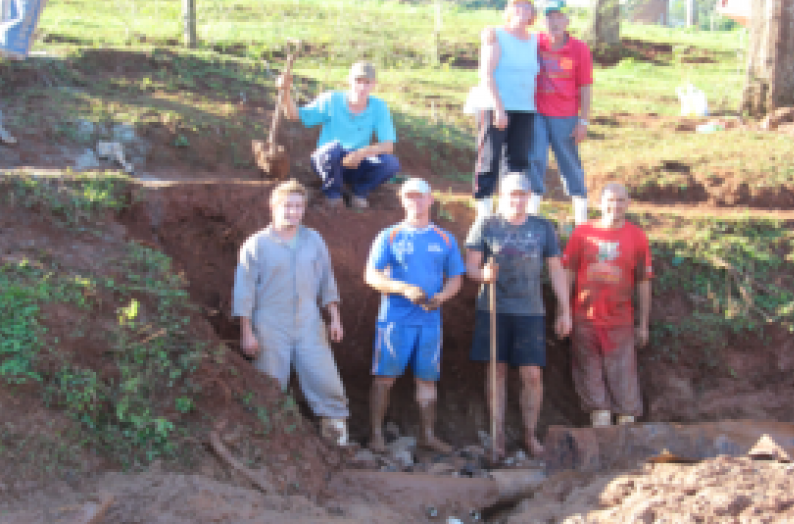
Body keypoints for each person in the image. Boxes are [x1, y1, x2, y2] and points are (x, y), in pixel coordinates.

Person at [233, 179, 351, 445]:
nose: (294, 212)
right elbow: (244, 292)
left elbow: (327, 281)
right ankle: (268, 444)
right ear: (274, 207)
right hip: (269, 325)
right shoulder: (257, 245)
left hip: (309, 322)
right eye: (288, 206)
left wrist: (334, 318)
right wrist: (246, 333)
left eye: (298, 206)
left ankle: (336, 440)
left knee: (325, 380)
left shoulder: (313, 240)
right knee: (269, 385)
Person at [465, 172, 571, 461]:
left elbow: (556, 270)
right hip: (493, 309)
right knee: (496, 372)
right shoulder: (486, 225)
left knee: (532, 375)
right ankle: (497, 436)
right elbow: (470, 267)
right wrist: (483, 274)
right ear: (502, 195)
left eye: (523, 194)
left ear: (529, 196)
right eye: (513, 194)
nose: (518, 199)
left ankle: (529, 434)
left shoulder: (542, 227)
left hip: (530, 311)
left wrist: (564, 309)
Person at [363, 178, 466, 454]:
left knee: (427, 379)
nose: (415, 201)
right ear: (401, 199)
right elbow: (371, 275)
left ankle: (427, 436)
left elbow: (456, 278)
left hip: (430, 321)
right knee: (384, 377)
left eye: (420, 196)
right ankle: (375, 436)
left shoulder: (445, 239)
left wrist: (441, 298)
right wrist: (403, 288)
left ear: (430, 199)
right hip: (395, 320)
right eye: (409, 196)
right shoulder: (390, 236)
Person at [561, 182, 653, 427]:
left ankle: (626, 433)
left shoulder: (637, 237)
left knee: (625, 390)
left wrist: (643, 325)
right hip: (585, 320)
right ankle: (600, 429)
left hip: (620, 322)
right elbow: (567, 273)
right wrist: (563, 312)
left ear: (628, 203)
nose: (615, 205)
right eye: (610, 200)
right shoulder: (582, 233)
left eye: (621, 200)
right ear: (600, 203)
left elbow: (644, 282)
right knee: (593, 387)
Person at [278, 61, 400, 210]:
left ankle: (359, 193)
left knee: (391, 163)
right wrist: (285, 92)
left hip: (356, 162)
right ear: (349, 80)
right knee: (333, 148)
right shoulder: (331, 100)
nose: (362, 87)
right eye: (358, 81)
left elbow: (388, 146)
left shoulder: (379, 106)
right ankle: (333, 195)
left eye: (367, 82)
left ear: (373, 84)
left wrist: (360, 153)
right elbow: (294, 115)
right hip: (328, 160)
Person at [471, 0, 540, 219]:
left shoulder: (535, 40)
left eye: (527, 7)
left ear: (532, 14)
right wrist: (499, 109)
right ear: (509, 10)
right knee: (489, 158)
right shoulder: (496, 35)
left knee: (517, 161)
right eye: (517, 5)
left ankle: (508, 211)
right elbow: (486, 73)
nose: (522, 10)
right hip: (495, 105)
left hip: (525, 108)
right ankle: (483, 214)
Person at [529, 0, 594, 226]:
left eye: (559, 17)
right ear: (542, 21)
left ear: (567, 21)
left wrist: (583, 121)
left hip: (566, 116)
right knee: (535, 158)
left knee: (569, 162)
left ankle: (581, 220)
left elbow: (585, 86)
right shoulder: (534, 42)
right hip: (537, 113)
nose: (554, 22)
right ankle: (531, 216)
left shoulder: (579, 49)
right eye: (549, 17)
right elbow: (510, 36)